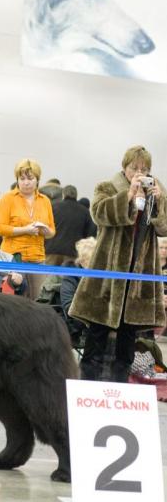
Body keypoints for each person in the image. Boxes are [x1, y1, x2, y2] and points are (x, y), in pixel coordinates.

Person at [69, 145, 167, 383]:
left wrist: (160, 202)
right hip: (107, 276)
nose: (139, 172)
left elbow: (164, 228)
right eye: (135, 167)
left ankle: (120, 387)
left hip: (139, 276)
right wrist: (128, 196)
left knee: (127, 340)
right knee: (97, 336)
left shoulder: (157, 190)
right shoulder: (107, 187)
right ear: (124, 167)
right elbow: (99, 214)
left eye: (144, 168)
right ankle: (87, 386)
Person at [0, 158, 55, 299]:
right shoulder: (7, 199)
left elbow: (52, 231)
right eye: (22, 178)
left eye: (30, 178)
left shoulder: (45, 201)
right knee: (14, 300)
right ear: (17, 179)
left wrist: (46, 232)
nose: (26, 182)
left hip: (38, 258)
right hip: (13, 257)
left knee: (39, 300)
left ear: (37, 180)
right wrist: (25, 230)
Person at [45, 184, 97, 266]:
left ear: (63, 195)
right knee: (68, 277)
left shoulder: (53, 207)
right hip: (72, 252)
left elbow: (45, 226)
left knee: (48, 277)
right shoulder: (84, 211)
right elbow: (91, 233)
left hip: (52, 250)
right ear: (76, 196)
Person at [59, 237, 96, 347]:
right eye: (93, 260)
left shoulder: (102, 274)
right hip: (76, 324)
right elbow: (68, 306)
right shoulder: (70, 276)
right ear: (83, 261)